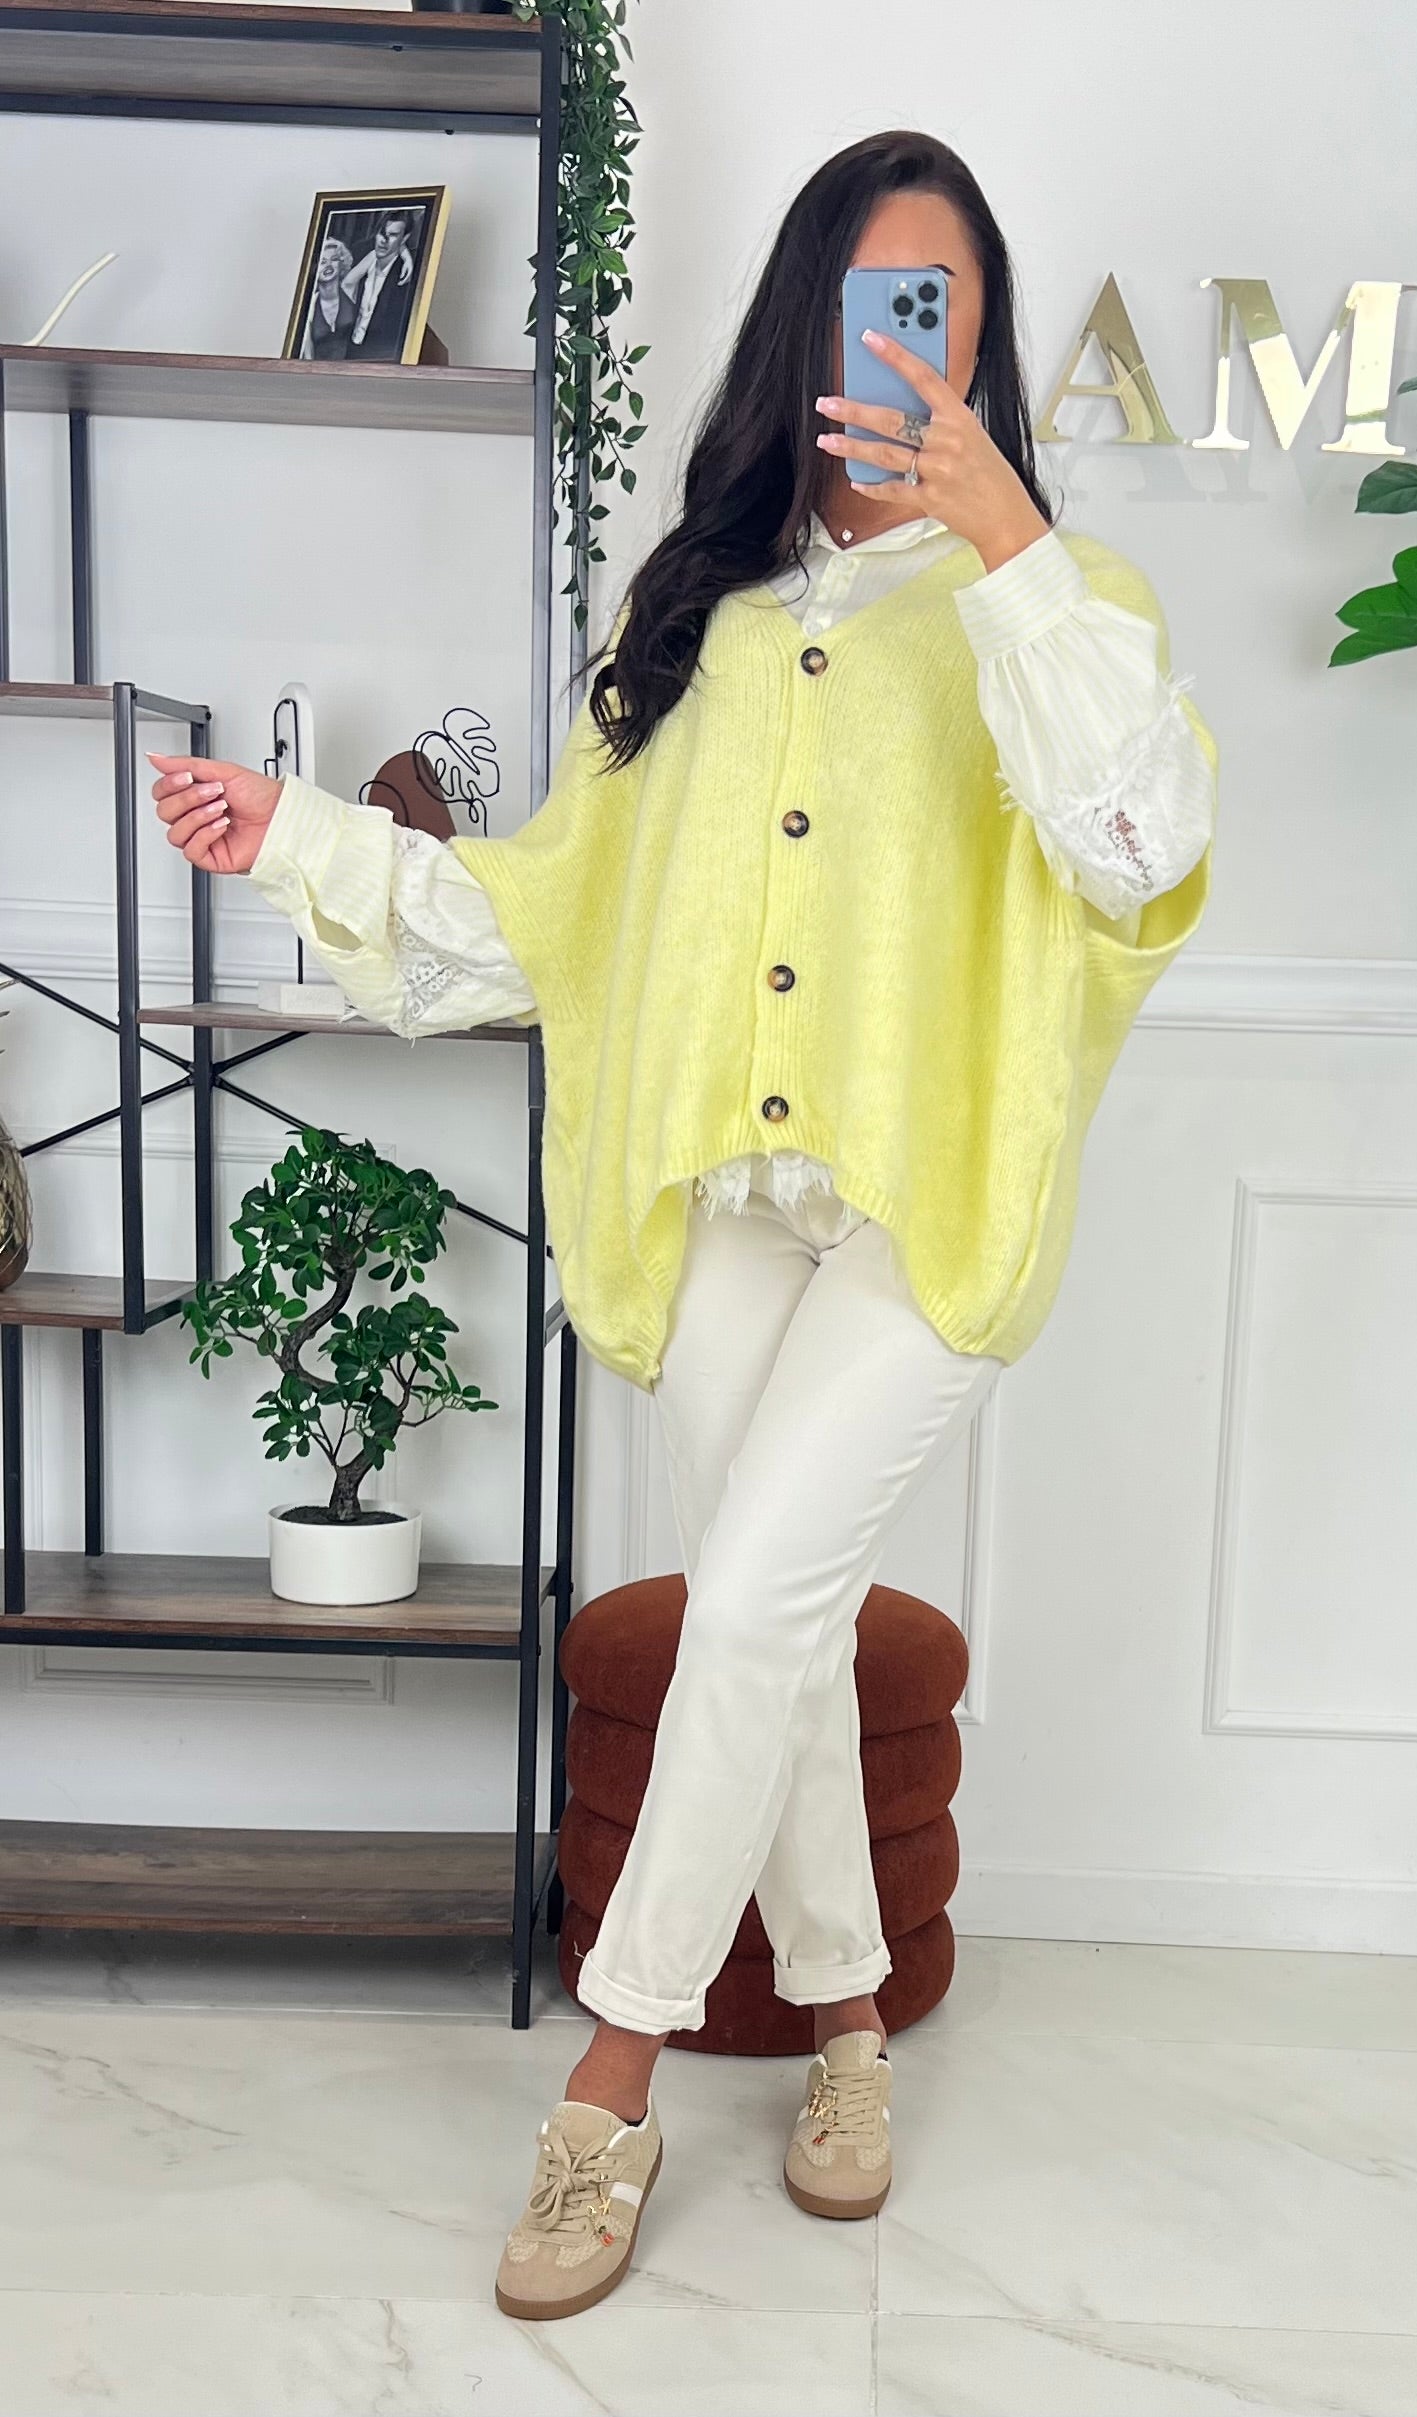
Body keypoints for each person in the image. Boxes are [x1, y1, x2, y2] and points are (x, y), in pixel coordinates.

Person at [150, 130, 1218, 2326]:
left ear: (981, 344)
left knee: (741, 1604)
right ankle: (849, 2020)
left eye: (948, 309)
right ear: (805, 325)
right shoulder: (701, 614)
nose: (913, 348)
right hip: (725, 1198)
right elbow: (549, 918)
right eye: (875, 301)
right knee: (777, 1623)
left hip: (925, 1207)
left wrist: (1006, 540)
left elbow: (1135, 849)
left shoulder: (1058, 601)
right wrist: (302, 839)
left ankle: (608, 2079)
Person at [340, 210, 418, 360]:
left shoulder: (406, 272)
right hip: (349, 351)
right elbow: (346, 284)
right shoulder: (362, 256)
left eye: (393, 235)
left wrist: (405, 254)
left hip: (381, 357)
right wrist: (403, 251)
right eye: (382, 233)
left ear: (405, 238)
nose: (384, 240)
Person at [296, 235, 357, 362]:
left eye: (334, 259)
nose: (328, 265)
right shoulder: (309, 305)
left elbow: (374, 257)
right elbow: (307, 354)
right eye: (322, 262)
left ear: (342, 263)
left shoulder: (351, 289)